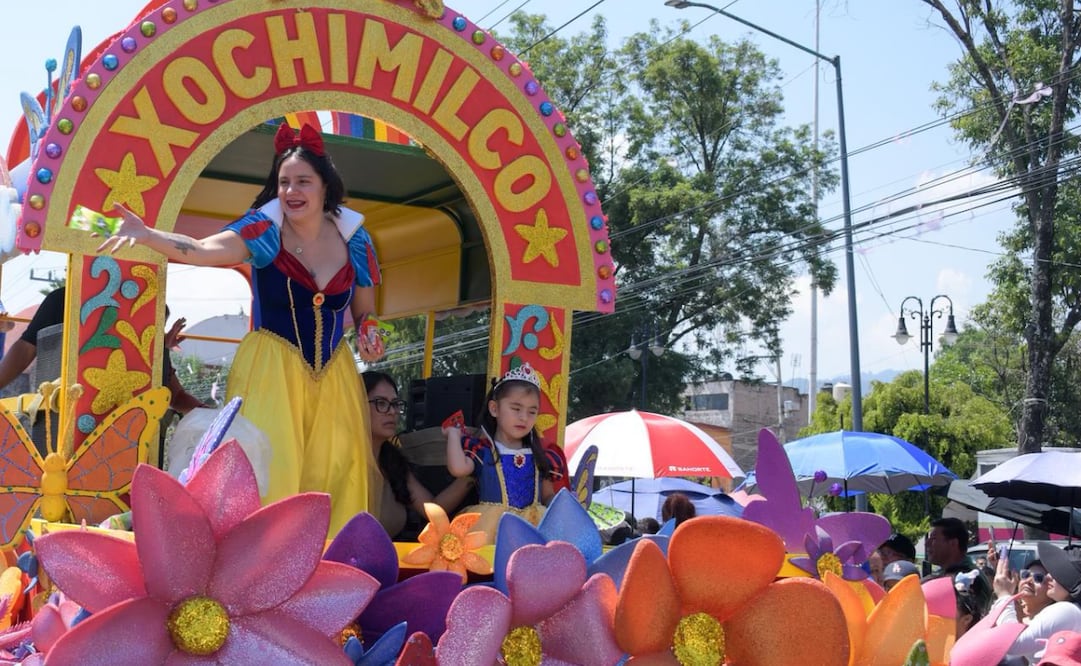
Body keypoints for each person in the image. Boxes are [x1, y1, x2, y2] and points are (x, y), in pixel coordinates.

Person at [98, 122, 384, 535]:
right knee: (273, 468)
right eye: (284, 182)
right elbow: (200, 250)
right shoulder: (263, 231)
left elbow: (366, 313)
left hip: (334, 376)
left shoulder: (356, 240)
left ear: (326, 185)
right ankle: (261, 575)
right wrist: (147, 234)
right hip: (272, 370)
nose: (291, 191)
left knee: (337, 470)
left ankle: (328, 577)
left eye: (303, 181)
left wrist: (370, 334)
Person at [0, 287, 205, 414]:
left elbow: (176, 396)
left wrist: (212, 415)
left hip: (130, 435)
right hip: (62, 421)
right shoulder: (65, 299)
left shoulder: (151, 307)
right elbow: (26, 348)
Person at [444, 363, 564, 543]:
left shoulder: (540, 456)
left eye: (532, 412)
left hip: (533, 527)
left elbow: (547, 495)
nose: (524, 417)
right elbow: (458, 469)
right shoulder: (484, 451)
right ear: (494, 409)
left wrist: (563, 508)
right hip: (492, 528)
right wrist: (453, 435)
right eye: (516, 409)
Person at [363, 371, 474, 539]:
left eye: (395, 404)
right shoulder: (341, 461)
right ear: (357, 406)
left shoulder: (393, 462)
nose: (392, 411)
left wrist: (475, 470)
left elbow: (434, 509)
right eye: (381, 403)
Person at [991, 543, 1081, 663]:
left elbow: (1014, 644)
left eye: (1058, 573)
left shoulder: (1067, 610)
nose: (1048, 577)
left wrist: (1004, 595)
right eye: (1025, 575)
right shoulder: (1072, 611)